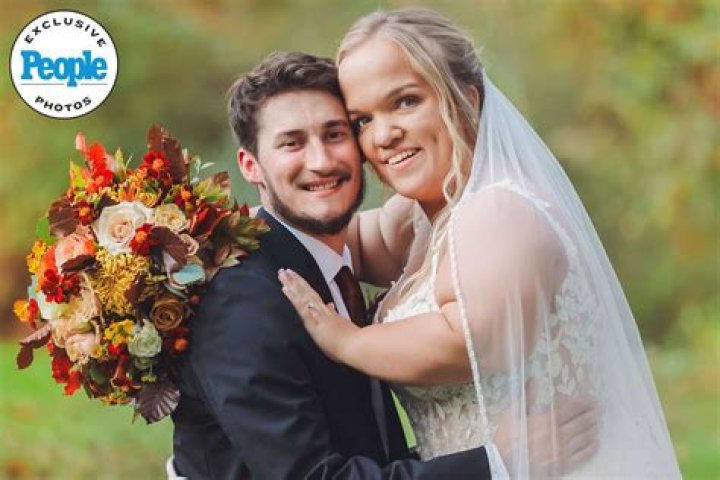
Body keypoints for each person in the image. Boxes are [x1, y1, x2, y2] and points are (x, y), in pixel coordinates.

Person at [279, 8, 681, 479]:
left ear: (466, 98)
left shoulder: (501, 211)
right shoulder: (419, 218)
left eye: (405, 102)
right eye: (362, 120)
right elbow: (334, 238)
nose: (384, 135)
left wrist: (346, 342)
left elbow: (474, 341)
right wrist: (223, 228)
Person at [172, 50, 589, 479]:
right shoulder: (242, 297)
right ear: (251, 166)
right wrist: (496, 463)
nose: (321, 161)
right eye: (292, 143)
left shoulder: (330, 265)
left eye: (335, 134)